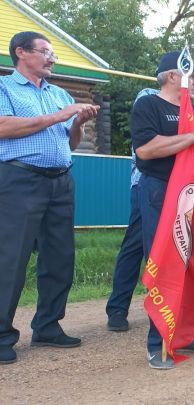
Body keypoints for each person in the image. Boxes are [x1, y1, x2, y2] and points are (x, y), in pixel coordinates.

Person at [0, 31, 99, 365]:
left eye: (53, 53)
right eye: (45, 51)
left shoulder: (58, 92)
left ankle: (47, 325)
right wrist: (61, 115)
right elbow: (3, 127)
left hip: (60, 181)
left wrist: (77, 123)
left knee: (59, 258)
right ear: (21, 53)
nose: (52, 58)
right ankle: (1, 335)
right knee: (10, 259)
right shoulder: (4, 88)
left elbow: (69, 143)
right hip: (19, 180)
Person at [131, 50, 194, 369]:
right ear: (174, 76)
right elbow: (145, 150)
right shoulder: (149, 105)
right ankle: (156, 343)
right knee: (166, 260)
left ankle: (187, 333)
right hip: (160, 191)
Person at [106, 88, 159, 332]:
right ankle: (117, 308)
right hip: (144, 185)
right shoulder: (148, 96)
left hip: (175, 187)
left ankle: (168, 309)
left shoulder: (188, 107)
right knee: (136, 245)